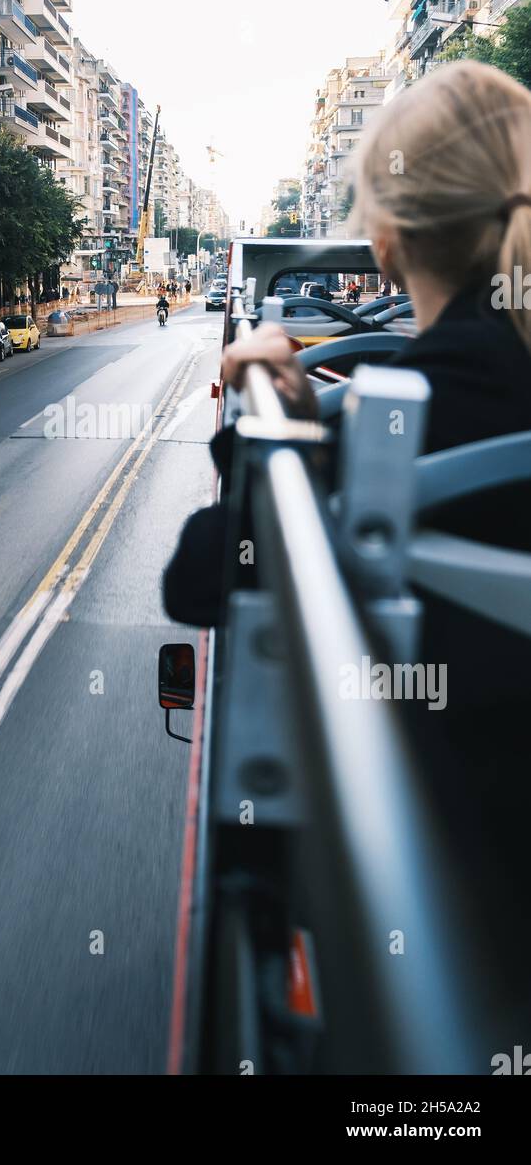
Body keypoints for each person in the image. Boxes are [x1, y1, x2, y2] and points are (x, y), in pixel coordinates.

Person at [164, 61, 531, 1026]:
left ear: (388, 242)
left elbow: (198, 580)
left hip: (441, 933)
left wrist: (271, 435)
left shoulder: (387, 432)